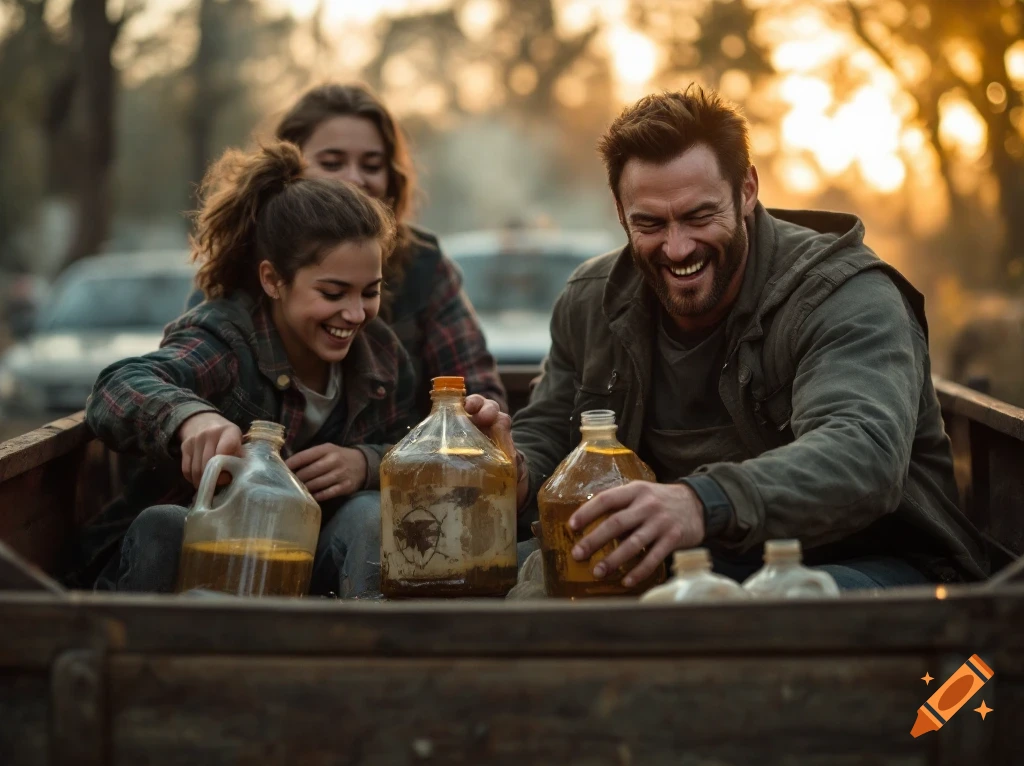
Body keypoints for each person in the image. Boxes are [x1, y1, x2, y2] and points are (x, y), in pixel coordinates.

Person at [471, 85, 989, 591]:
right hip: (685, 568)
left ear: (747, 190)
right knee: (494, 582)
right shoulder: (590, 299)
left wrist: (700, 501)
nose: (676, 248)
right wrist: (516, 475)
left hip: (871, 562)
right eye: (649, 223)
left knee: (755, 611)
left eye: (700, 216)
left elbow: (861, 453)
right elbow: (553, 433)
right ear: (619, 210)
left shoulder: (846, 295)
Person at [71, 141, 416, 597]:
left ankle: (360, 657)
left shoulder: (382, 358)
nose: (355, 314)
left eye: (368, 292)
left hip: (315, 568)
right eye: (333, 294)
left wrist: (368, 464)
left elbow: (412, 445)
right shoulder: (225, 338)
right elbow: (118, 386)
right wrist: (190, 417)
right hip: (206, 559)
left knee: (371, 513)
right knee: (164, 524)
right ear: (273, 280)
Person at [187, 83, 507, 419]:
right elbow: (176, 373)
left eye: (371, 165)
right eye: (332, 162)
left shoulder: (423, 265)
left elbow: (474, 392)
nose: (354, 179)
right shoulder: (239, 263)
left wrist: (367, 461)